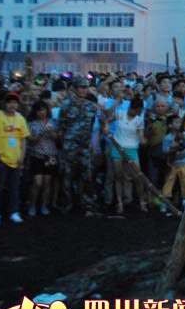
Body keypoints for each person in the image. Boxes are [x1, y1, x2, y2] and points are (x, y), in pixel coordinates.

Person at [0, 91, 30, 225]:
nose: (12, 105)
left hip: (15, 160)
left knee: (14, 188)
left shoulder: (20, 118)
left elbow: (23, 140)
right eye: (9, 102)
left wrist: (22, 156)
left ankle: (14, 212)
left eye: (14, 102)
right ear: (5, 103)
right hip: (0, 159)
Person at [58, 77, 101, 213]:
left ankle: (87, 204)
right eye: (82, 87)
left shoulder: (91, 106)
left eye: (86, 87)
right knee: (67, 176)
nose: (84, 90)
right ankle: (66, 204)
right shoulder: (65, 105)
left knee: (87, 176)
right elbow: (61, 126)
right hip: (69, 147)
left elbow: (95, 123)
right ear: (74, 89)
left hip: (85, 147)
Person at [108, 97, 147, 213]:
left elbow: (141, 137)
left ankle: (141, 201)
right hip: (118, 148)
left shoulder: (139, 120)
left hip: (132, 150)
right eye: (138, 110)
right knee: (118, 176)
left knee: (138, 177)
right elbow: (106, 120)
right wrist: (105, 126)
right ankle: (120, 202)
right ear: (133, 108)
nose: (138, 113)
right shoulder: (120, 114)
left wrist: (144, 141)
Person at [26, 100, 58, 217]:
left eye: (43, 110)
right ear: (35, 112)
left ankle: (44, 205)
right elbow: (32, 141)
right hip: (37, 155)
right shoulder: (31, 124)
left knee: (47, 183)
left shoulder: (53, 122)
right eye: (39, 110)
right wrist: (42, 133)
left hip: (51, 156)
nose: (41, 112)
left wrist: (53, 133)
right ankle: (32, 205)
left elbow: (58, 139)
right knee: (37, 182)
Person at [161, 115, 185, 213]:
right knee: (168, 183)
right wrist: (173, 147)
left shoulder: (184, 134)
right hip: (172, 163)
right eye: (176, 122)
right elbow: (165, 151)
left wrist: (183, 140)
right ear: (170, 125)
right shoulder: (167, 138)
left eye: (180, 122)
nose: (179, 124)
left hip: (184, 162)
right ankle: (165, 202)